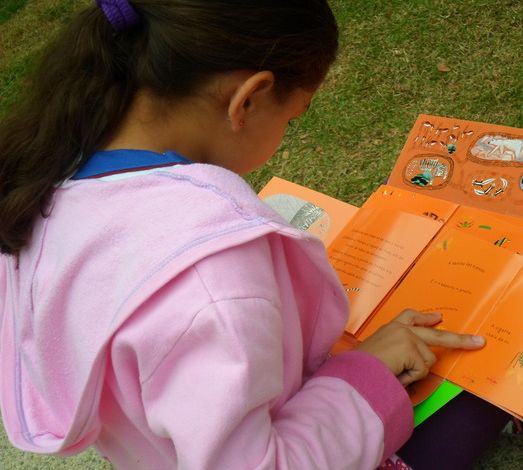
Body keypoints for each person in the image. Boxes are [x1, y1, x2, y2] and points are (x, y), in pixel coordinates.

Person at [0, 1, 490, 469]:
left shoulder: (40, 189)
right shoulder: (212, 280)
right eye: (292, 118)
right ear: (249, 98)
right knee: (488, 376)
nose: (287, 130)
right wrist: (368, 372)